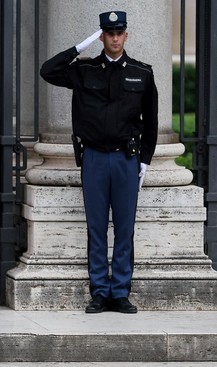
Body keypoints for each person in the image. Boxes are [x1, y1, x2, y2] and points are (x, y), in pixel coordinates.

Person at [40, 10, 158, 314]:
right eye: (109, 33)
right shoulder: (83, 70)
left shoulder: (142, 72)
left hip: (126, 159)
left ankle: (120, 291)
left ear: (126, 35)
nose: (115, 38)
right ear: (102, 36)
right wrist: (80, 47)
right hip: (93, 157)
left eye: (119, 33)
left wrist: (144, 159)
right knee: (95, 228)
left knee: (124, 227)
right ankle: (99, 292)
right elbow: (48, 70)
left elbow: (152, 121)